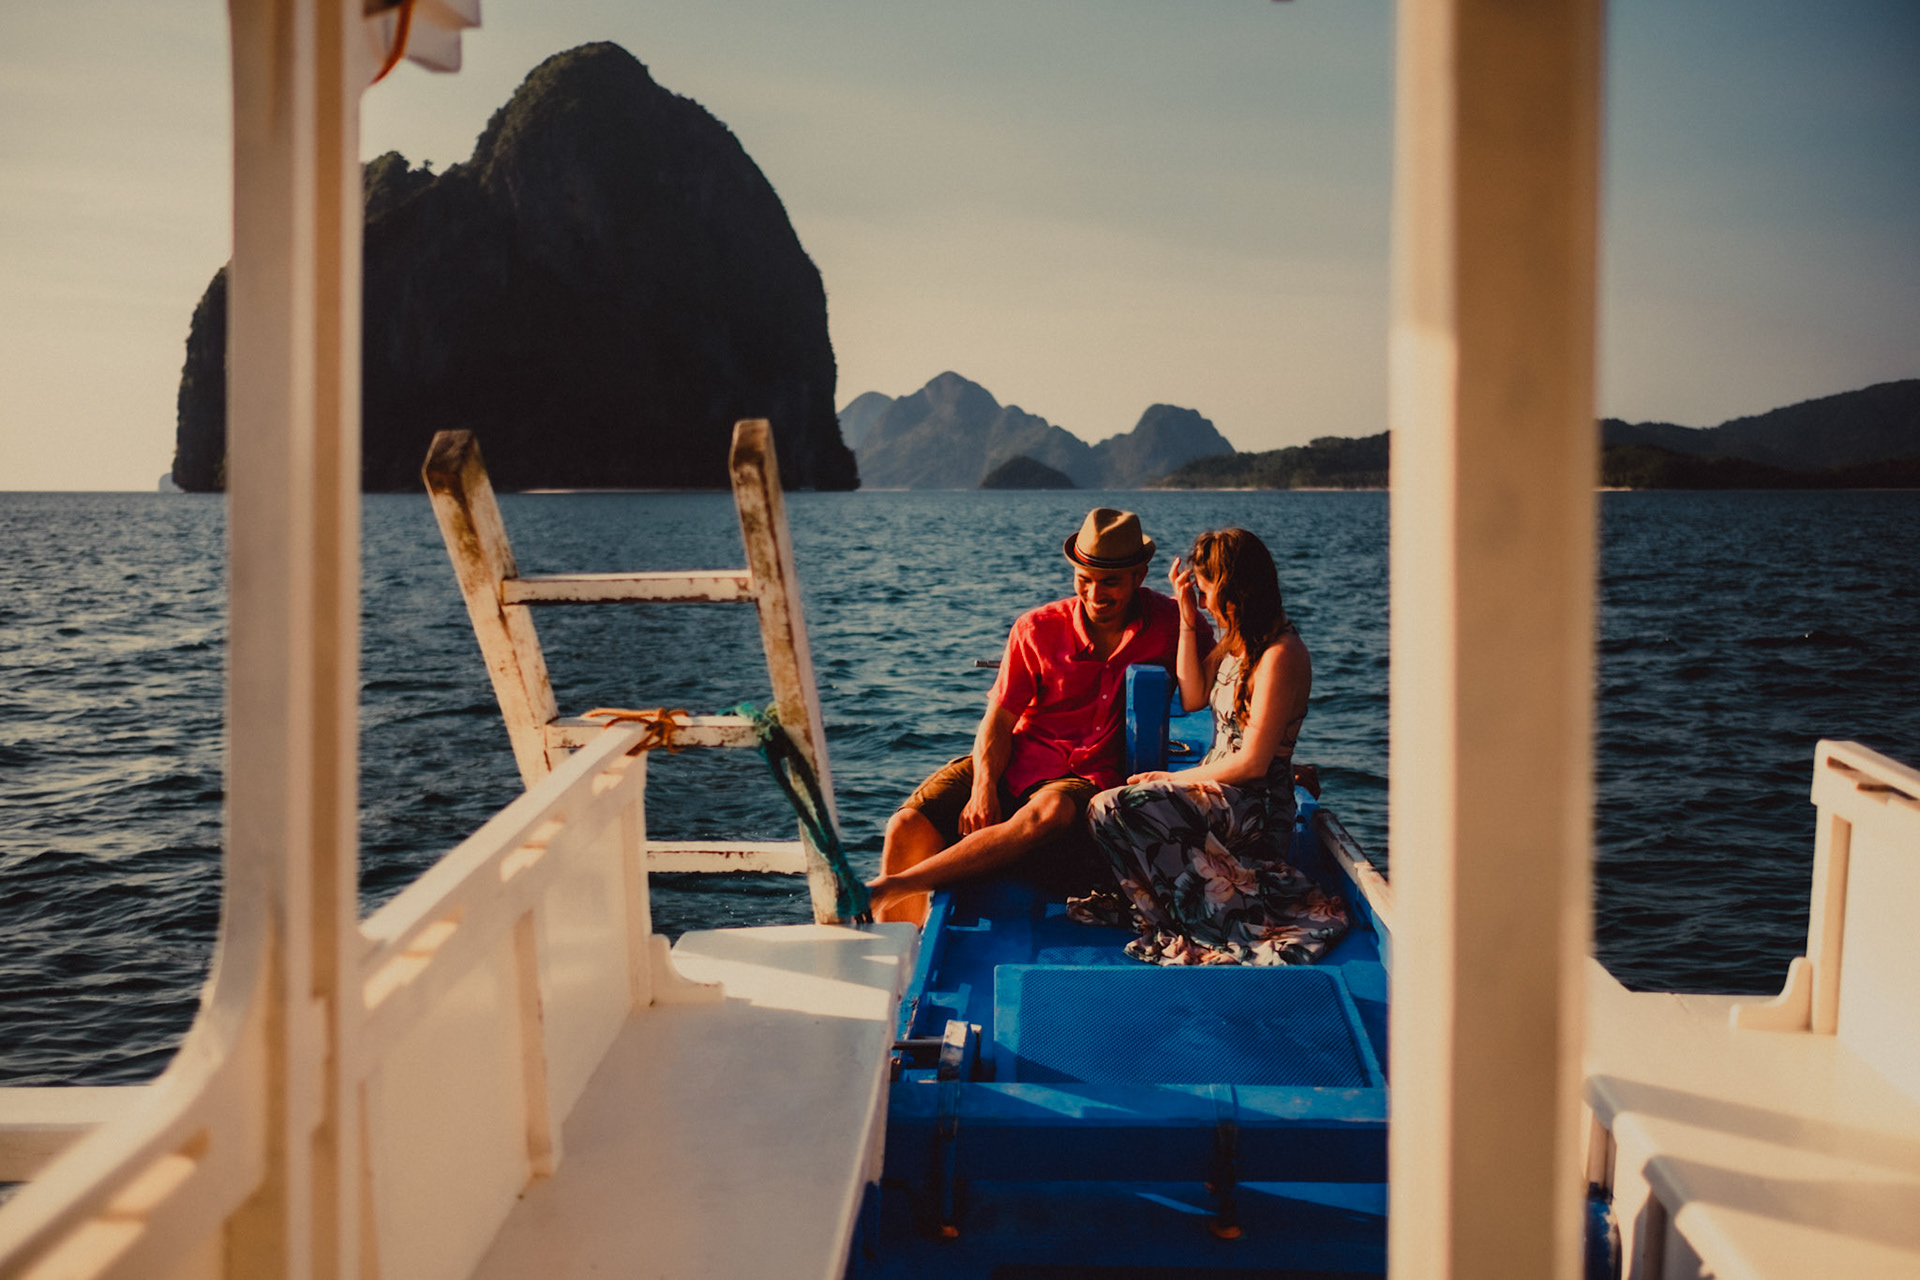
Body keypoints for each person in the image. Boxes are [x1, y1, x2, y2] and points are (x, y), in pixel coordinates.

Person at [866, 508, 1207, 924]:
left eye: (1110, 583)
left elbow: (1224, 684)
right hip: (1020, 757)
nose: (1096, 595)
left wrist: (1270, 758)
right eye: (1085, 581)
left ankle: (891, 888)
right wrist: (983, 787)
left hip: (1086, 777)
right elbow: (999, 719)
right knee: (906, 825)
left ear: (1139, 575)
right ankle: (900, 957)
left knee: (1048, 814)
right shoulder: (1036, 628)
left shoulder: (1173, 621)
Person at [1073, 527, 1349, 965]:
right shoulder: (1238, 643)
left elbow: (1254, 763)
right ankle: (1171, 912)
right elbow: (1193, 696)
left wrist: (1172, 777)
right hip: (1222, 791)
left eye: (1204, 592)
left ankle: (1194, 917)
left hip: (1253, 804)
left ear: (1232, 587)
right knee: (1105, 806)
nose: (1203, 602)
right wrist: (1185, 616)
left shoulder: (1280, 654)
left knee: (1116, 806)